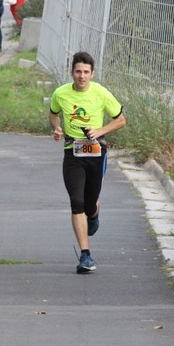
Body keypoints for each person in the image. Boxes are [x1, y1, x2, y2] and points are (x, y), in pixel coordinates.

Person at [49, 52, 126, 274]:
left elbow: (121, 120)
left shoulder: (101, 93)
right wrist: (56, 128)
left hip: (95, 152)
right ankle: (86, 255)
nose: (81, 76)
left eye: (85, 72)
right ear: (71, 72)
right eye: (78, 71)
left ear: (92, 74)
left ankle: (94, 212)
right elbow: (53, 113)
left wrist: (100, 130)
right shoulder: (60, 93)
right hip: (72, 152)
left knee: (89, 203)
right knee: (76, 202)